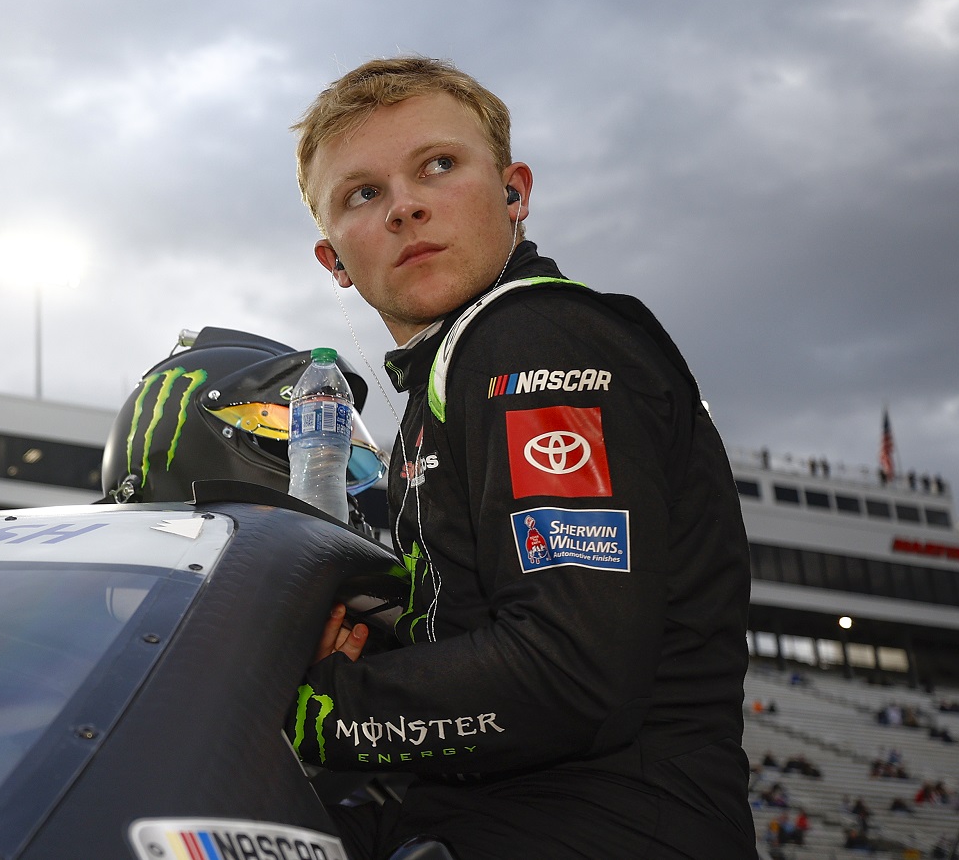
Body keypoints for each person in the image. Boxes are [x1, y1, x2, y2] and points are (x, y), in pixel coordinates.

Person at [284, 56, 753, 857]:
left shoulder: (530, 337)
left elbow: (569, 674)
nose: (406, 207)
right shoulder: (455, 373)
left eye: (438, 165)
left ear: (514, 192)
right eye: (364, 193)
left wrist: (319, 706)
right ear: (333, 260)